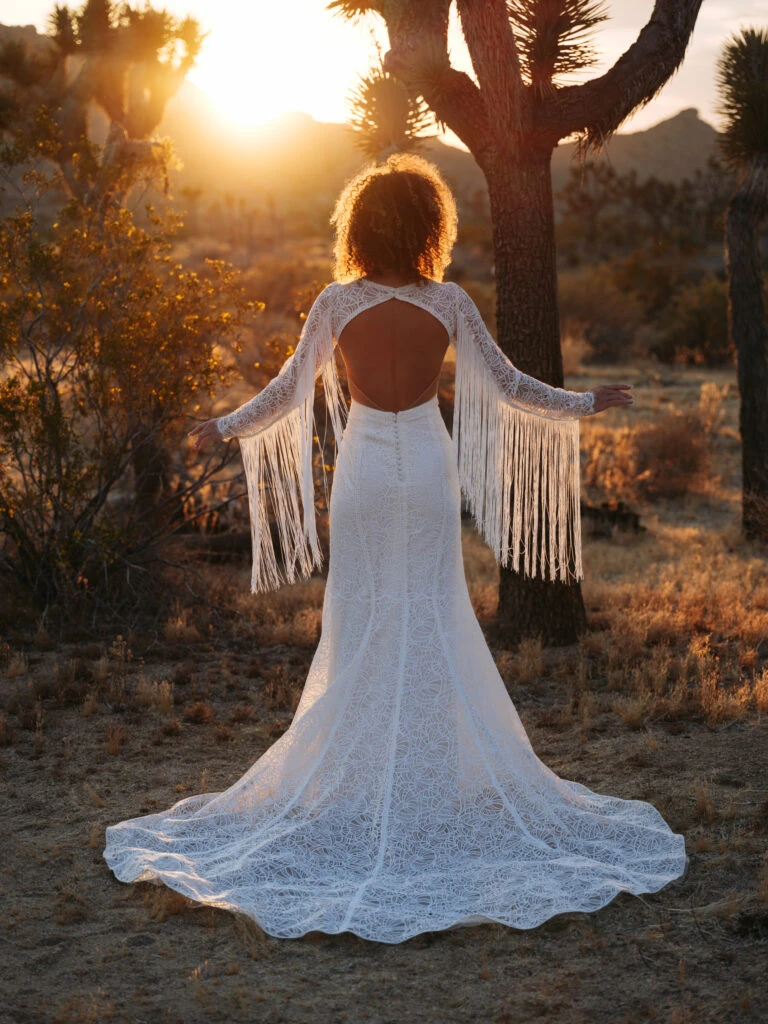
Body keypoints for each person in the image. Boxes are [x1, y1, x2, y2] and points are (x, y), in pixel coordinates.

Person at [103, 154, 687, 943]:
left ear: (359, 228)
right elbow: (513, 386)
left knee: (362, 621)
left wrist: (226, 426)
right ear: (426, 227)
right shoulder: (448, 303)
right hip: (428, 464)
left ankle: (357, 783)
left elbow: (285, 391)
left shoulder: (335, 303)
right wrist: (586, 400)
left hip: (368, 468)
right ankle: (429, 787)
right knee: (435, 615)